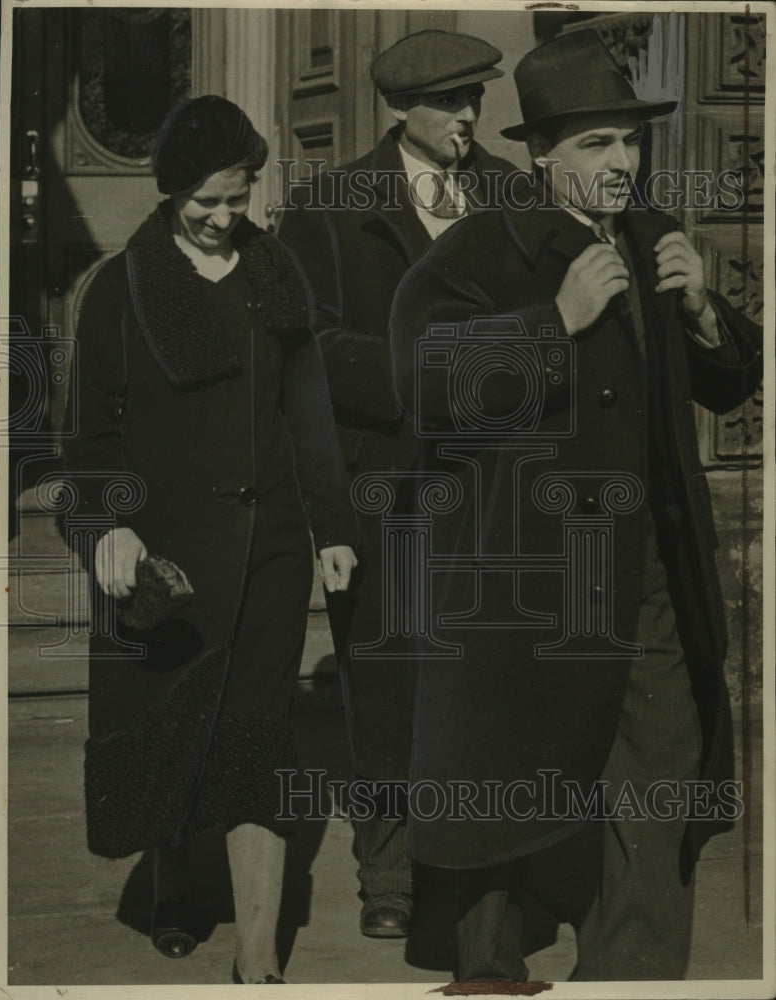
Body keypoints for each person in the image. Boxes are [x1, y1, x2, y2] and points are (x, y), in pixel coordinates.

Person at [390, 30, 762, 981]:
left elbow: (727, 385)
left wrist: (704, 314)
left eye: (630, 143)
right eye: (596, 146)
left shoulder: (651, 238)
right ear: (541, 153)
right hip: (527, 575)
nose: (621, 164)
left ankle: (629, 972)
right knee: (509, 779)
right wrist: (551, 323)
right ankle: (488, 970)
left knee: (658, 768)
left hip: (646, 564)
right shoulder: (486, 244)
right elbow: (425, 386)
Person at [61, 95, 358, 984]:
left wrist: (331, 526)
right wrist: (106, 524)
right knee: (173, 729)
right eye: (207, 203)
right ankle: (177, 887)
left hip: (265, 546)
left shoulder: (275, 276)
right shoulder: (122, 286)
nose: (226, 219)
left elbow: (309, 416)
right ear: (170, 192)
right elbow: (90, 436)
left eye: (241, 198)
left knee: (255, 737)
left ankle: (258, 953)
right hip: (162, 557)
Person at [279, 28, 516, 939]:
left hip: (498, 483)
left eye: (476, 99)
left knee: (485, 674)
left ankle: (478, 867)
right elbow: (312, 352)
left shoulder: (508, 190)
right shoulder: (330, 206)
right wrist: (438, 373)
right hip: (388, 485)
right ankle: (389, 871)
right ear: (399, 109)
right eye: (450, 101)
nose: (468, 116)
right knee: (385, 679)